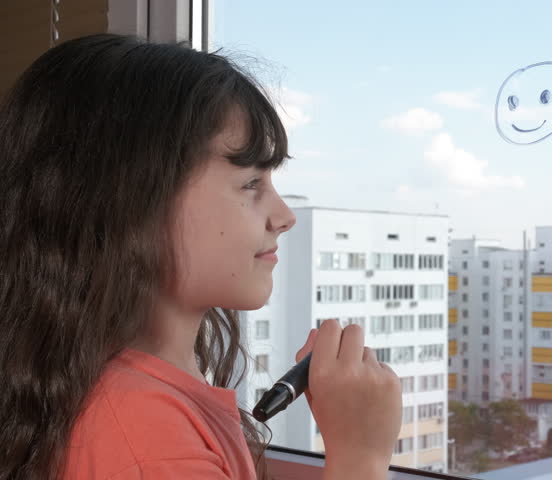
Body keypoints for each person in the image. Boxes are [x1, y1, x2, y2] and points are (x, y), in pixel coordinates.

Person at [0, 34, 402, 480]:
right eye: (251, 184)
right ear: (132, 202)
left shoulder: (139, 395)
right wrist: (360, 456)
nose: (284, 217)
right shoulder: (147, 440)